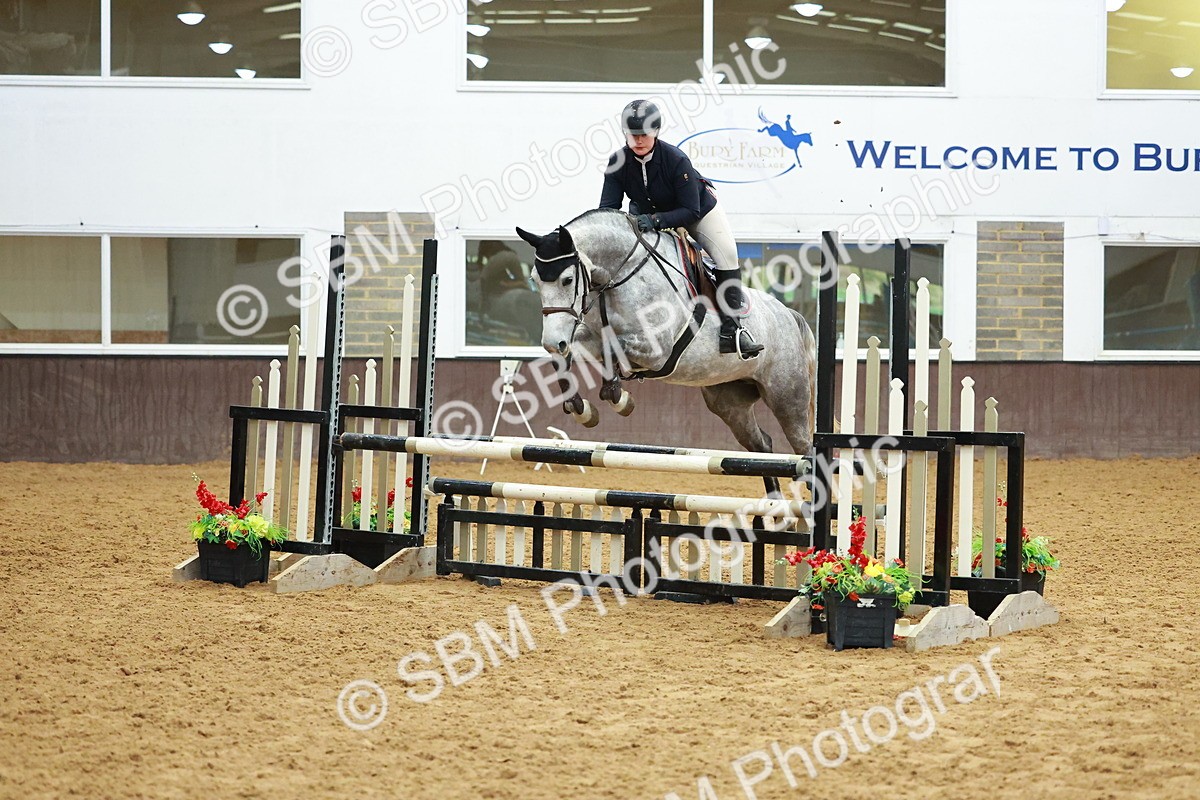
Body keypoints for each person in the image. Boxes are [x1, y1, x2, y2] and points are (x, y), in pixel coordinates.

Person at [599, 99, 763, 359]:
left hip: (696, 212)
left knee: (727, 254)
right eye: (633, 135)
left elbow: (691, 211)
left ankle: (733, 331)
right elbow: (608, 209)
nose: (638, 141)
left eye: (644, 135)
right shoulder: (617, 162)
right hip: (647, 216)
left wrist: (656, 221)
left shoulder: (675, 159)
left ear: (656, 132)